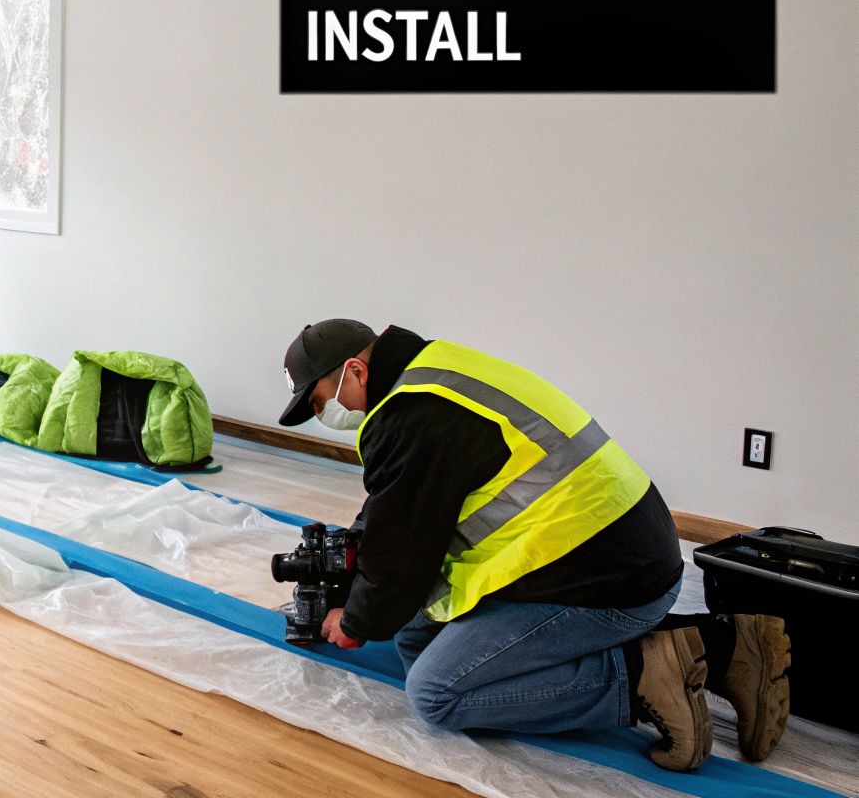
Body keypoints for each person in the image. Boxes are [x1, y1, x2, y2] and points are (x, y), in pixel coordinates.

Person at [278, 320, 790, 770]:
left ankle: (639, 678)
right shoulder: (435, 370)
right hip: (626, 551)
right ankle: (721, 645)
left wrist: (354, 621)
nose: (324, 414)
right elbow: (400, 503)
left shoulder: (407, 416)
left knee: (436, 693)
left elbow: (400, 563)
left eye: (319, 401)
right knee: (417, 634)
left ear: (355, 371)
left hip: (607, 580)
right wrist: (360, 549)